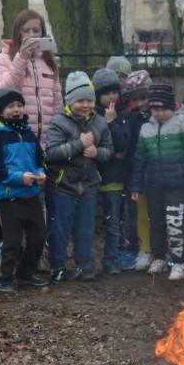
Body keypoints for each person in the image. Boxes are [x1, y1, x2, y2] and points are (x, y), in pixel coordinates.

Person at [128, 82, 184, 281]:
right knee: (156, 223)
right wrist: (136, 185)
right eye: (155, 109)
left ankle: (179, 262)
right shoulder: (146, 128)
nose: (160, 113)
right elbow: (140, 159)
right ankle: (159, 258)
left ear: (172, 106)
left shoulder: (183, 123)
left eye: (164, 109)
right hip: (154, 184)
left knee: (176, 223)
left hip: (177, 185)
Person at [44, 71, 113, 282]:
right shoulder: (58, 122)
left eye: (90, 100)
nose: (86, 105)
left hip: (89, 186)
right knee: (60, 229)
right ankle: (58, 266)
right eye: (80, 100)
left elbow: (109, 150)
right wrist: (79, 145)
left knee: (85, 229)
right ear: (70, 100)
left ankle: (85, 264)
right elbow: (52, 153)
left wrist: (96, 153)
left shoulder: (99, 123)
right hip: (62, 187)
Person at [0, 88, 49, 292]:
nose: (16, 110)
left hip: (31, 195)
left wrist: (40, 173)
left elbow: (40, 160)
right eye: (11, 106)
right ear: (0, 111)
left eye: (19, 105)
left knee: (39, 236)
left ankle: (26, 270)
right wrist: (19, 178)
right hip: (8, 197)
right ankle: (4, 277)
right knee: (11, 240)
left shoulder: (28, 134)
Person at [0, 9, 62, 149]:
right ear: (18, 32)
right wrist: (21, 60)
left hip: (48, 140)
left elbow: (57, 102)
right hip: (18, 137)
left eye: (36, 30)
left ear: (42, 33)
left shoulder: (49, 62)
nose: (31, 35)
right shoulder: (4, 58)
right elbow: (5, 91)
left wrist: (58, 132)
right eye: (26, 30)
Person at [91, 68, 133, 275]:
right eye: (106, 92)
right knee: (104, 221)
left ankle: (115, 256)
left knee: (117, 220)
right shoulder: (92, 117)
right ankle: (100, 259)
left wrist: (113, 122)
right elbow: (97, 146)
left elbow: (122, 145)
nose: (111, 96)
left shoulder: (122, 115)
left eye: (114, 91)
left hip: (118, 177)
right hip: (100, 177)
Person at [123, 70, 153, 270]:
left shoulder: (163, 114)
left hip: (160, 171)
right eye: (135, 99)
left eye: (143, 98)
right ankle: (144, 250)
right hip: (139, 172)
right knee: (141, 215)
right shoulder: (131, 118)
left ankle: (163, 249)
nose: (140, 103)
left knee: (162, 214)